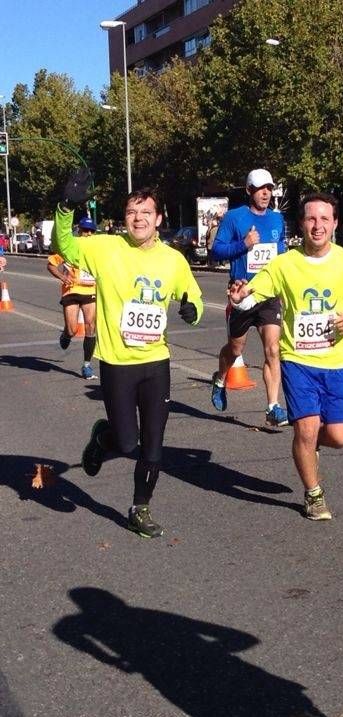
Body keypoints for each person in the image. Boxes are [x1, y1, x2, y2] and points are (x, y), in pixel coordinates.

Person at [53, 178, 203, 539]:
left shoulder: (173, 260)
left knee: (153, 442)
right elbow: (65, 247)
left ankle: (140, 507)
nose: (138, 219)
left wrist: (191, 309)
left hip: (156, 362)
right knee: (127, 444)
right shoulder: (105, 247)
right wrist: (65, 208)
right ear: (124, 218)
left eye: (146, 212)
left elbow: (193, 297)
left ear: (159, 218)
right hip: (118, 363)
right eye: (131, 212)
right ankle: (103, 438)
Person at [228, 192, 343, 520]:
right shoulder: (283, 264)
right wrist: (240, 297)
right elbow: (249, 298)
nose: (317, 226)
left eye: (325, 219)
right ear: (302, 223)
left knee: (339, 436)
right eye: (311, 218)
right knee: (307, 428)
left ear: (335, 223)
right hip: (297, 360)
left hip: (336, 362)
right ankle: (314, 495)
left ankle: (309, 449)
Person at [210, 169, 288, 427]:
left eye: (269, 188)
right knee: (235, 349)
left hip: (268, 295)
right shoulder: (234, 218)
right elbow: (216, 250)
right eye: (259, 188)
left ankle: (273, 407)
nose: (265, 193)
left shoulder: (278, 220)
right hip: (242, 294)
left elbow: (283, 255)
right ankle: (220, 379)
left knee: (273, 349)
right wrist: (244, 244)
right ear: (249, 191)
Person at [47, 217, 98, 379]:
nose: (88, 234)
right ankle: (66, 335)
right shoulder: (71, 246)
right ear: (79, 230)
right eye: (85, 230)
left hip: (90, 290)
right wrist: (63, 277)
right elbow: (51, 265)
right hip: (71, 291)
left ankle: (87, 365)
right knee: (73, 329)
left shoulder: (97, 249)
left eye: (91, 231)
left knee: (91, 326)